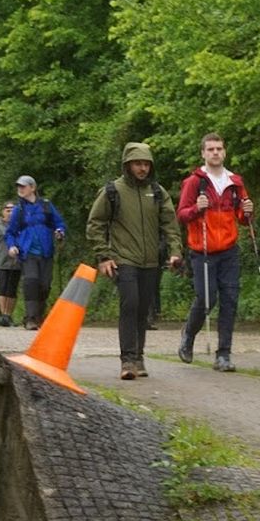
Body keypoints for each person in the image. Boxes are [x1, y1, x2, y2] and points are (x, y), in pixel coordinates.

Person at [86, 142, 184, 380]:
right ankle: (127, 360)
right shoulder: (112, 191)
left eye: (146, 164)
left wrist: (175, 251)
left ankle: (139, 357)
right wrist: (104, 256)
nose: (142, 169)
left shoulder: (158, 193)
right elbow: (95, 224)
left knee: (143, 310)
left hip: (151, 260)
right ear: (127, 165)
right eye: (137, 164)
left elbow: (170, 225)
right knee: (129, 305)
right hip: (123, 259)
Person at [176, 133, 254, 372]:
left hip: (229, 249)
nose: (215, 153)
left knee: (230, 300)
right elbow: (181, 214)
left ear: (225, 152)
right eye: (210, 149)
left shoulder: (235, 182)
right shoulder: (194, 182)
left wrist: (248, 211)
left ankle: (223, 354)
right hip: (203, 250)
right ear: (203, 153)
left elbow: (242, 218)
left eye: (219, 148)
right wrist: (196, 209)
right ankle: (188, 335)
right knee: (206, 298)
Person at [4, 175, 68, 330]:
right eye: (18, 186)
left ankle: (38, 316)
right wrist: (12, 246)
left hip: (46, 251)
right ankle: (31, 318)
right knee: (31, 282)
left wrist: (60, 231)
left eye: (23, 186)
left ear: (32, 188)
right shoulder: (18, 210)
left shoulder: (46, 206)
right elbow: (10, 232)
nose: (20, 189)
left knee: (44, 285)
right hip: (27, 252)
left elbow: (59, 223)